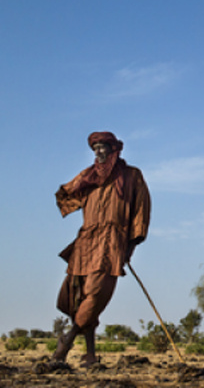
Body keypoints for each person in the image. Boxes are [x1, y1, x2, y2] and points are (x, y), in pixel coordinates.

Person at [52, 132, 151, 366]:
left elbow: (141, 209)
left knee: (97, 294)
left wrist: (131, 243)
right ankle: (90, 356)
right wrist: (78, 187)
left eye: (102, 147)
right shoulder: (88, 176)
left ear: (113, 149)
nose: (98, 151)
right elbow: (66, 195)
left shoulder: (131, 176)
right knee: (82, 296)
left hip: (112, 241)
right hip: (86, 240)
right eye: (94, 148)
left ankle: (67, 340)